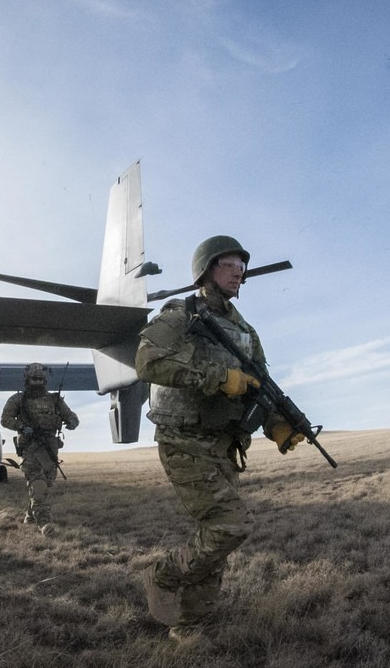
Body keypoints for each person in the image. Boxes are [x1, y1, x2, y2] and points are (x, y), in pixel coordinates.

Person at [134, 235, 305, 641]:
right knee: (231, 526)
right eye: (229, 264)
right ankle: (162, 574)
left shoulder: (245, 330)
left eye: (242, 266)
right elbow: (147, 361)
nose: (239, 272)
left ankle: (190, 626)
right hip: (184, 441)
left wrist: (277, 424)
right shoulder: (180, 315)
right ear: (207, 269)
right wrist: (216, 377)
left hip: (225, 446)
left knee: (215, 537)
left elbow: (259, 385)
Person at [0, 363, 79, 536]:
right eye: (34, 379)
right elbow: (5, 419)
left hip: (49, 449)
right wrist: (21, 426)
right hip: (29, 448)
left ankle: (30, 516)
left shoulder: (54, 400)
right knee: (38, 485)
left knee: (46, 484)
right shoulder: (17, 400)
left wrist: (72, 422)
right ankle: (45, 523)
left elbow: (71, 416)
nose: (37, 382)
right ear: (27, 379)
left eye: (40, 379)